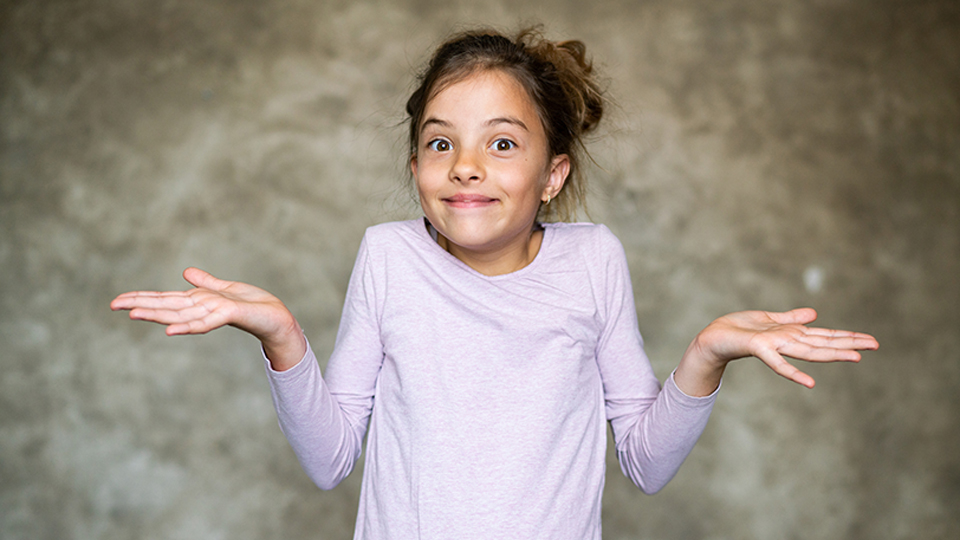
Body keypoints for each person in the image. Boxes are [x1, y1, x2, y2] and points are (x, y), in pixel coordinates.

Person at [111, 27, 878, 540]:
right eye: (440, 143)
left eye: (502, 143)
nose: (466, 167)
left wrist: (707, 355)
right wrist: (281, 337)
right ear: (415, 167)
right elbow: (329, 458)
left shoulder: (593, 261)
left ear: (553, 175)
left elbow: (646, 463)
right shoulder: (388, 257)